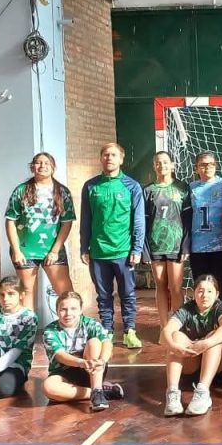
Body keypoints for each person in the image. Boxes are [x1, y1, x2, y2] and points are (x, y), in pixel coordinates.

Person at [80, 142, 146, 349]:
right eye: (106, 154)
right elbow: (86, 219)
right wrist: (84, 247)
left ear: (121, 159)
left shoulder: (132, 186)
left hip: (124, 251)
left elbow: (138, 220)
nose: (109, 158)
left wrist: (137, 248)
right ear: (101, 158)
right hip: (98, 251)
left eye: (114, 155)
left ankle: (129, 331)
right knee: (103, 295)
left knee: (128, 294)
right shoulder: (91, 186)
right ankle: (107, 330)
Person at [5, 152, 76, 311]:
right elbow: (10, 221)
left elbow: (66, 223)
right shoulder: (21, 191)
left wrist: (55, 251)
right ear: (32, 167)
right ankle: (28, 326)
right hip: (25, 250)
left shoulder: (62, 192)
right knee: (27, 292)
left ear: (53, 167)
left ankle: (74, 325)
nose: (42, 166)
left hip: (53, 250)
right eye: (38, 163)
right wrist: (16, 251)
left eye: (46, 163)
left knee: (66, 293)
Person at [161, 274, 222, 416]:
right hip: (193, 362)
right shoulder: (187, 309)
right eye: (200, 291)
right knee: (175, 336)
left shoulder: (221, 308)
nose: (204, 295)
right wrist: (173, 347)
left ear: (217, 294)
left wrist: (206, 343)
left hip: (219, 366)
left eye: (209, 291)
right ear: (194, 293)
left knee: (215, 336)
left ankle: (203, 392)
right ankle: (172, 393)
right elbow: (165, 332)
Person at [42, 291, 124, 412]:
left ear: (81, 310)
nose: (68, 313)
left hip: (92, 369)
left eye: (73, 309)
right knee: (48, 387)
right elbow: (60, 355)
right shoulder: (50, 331)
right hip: (65, 371)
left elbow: (107, 342)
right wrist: (80, 362)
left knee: (95, 342)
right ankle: (98, 392)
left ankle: (97, 388)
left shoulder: (90, 323)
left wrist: (102, 360)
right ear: (57, 311)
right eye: (63, 309)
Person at [143, 151, 192, 324]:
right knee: (160, 286)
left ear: (172, 165)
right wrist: (145, 249)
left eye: (165, 162)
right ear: (154, 166)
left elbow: (188, 219)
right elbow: (144, 222)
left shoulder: (182, 188)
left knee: (176, 287)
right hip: (156, 245)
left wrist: (186, 245)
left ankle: (177, 326)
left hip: (176, 245)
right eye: (158, 162)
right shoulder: (148, 190)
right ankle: (164, 326)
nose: (161, 165)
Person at [0, 276, 39, 400]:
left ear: (21, 295)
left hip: (16, 364)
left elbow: (17, 351)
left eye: (11, 294)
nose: (5, 299)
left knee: (5, 390)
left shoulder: (29, 317)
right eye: (2, 295)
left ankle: (2, 380)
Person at [189, 151, 222, 305]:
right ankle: (203, 318)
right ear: (197, 168)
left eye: (211, 164)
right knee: (201, 288)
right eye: (203, 165)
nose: (207, 167)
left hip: (221, 246)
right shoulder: (191, 188)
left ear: (216, 166)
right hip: (198, 247)